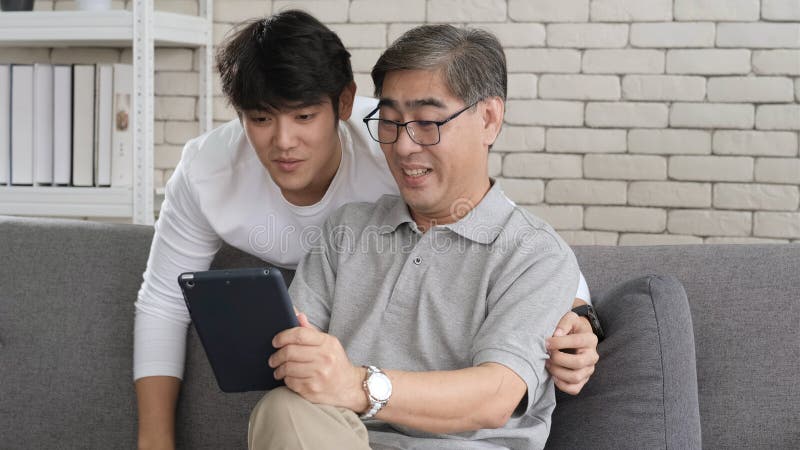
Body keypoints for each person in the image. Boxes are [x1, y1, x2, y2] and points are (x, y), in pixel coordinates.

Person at [134, 10, 599, 449]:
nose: (404, 146)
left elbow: (496, 395)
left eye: (428, 122)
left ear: (490, 120)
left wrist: (582, 317)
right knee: (283, 407)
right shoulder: (345, 229)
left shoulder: (531, 251)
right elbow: (180, 308)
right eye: (392, 122)